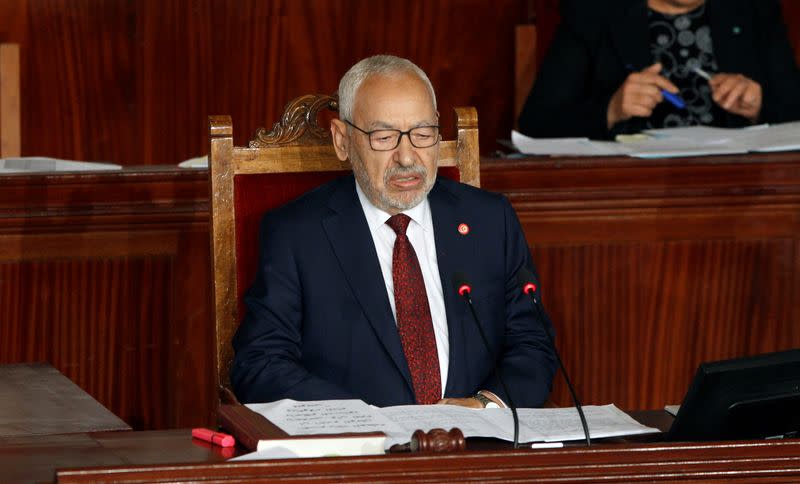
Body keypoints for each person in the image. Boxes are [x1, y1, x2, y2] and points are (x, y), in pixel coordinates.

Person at [231, 55, 557, 409]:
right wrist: (365, 421)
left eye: (422, 133)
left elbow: (532, 343)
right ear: (342, 140)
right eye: (384, 137)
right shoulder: (297, 234)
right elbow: (260, 363)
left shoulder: (490, 221)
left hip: (476, 443)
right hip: (362, 452)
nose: (407, 157)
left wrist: (486, 405)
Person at [518, 0, 800, 140]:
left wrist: (759, 106)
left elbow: (793, 111)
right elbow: (537, 125)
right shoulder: (594, 11)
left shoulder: (751, 8)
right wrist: (611, 109)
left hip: (735, 190)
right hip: (629, 193)